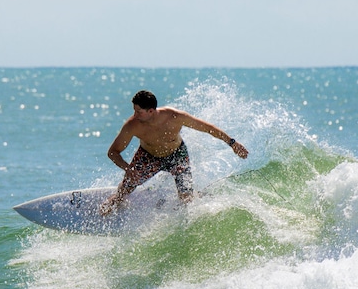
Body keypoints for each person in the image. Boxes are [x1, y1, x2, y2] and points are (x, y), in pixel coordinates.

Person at [100, 90, 249, 215]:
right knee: (125, 190)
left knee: (186, 199)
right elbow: (113, 152)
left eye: (138, 111)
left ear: (151, 111)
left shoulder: (175, 117)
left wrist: (232, 143)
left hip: (177, 155)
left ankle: (195, 197)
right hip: (148, 156)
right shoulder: (132, 126)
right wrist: (128, 169)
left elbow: (208, 128)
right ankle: (115, 201)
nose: (135, 114)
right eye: (134, 110)